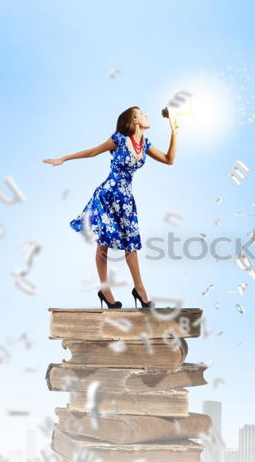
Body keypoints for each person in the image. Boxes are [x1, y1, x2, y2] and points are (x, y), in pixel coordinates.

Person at [43, 106, 179, 309]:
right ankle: (105, 289)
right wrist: (64, 158)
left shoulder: (144, 144)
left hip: (126, 201)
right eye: (142, 114)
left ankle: (139, 289)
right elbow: (92, 152)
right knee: (104, 243)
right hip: (107, 196)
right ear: (134, 119)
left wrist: (174, 133)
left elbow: (169, 160)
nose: (146, 115)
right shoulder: (119, 140)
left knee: (130, 243)